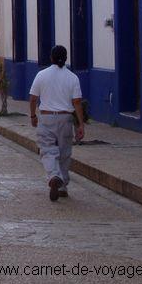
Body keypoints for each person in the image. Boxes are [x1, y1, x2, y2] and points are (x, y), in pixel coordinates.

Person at [29, 45, 85, 201]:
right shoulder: (72, 77)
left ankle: (53, 176)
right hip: (65, 119)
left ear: (51, 58)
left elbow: (33, 98)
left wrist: (33, 115)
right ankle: (62, 186)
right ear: (66, 58)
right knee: (64, 153)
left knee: (47, 150)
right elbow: (77, 102)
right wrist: (80, 124)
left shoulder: (41, 75)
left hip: (46, 118)